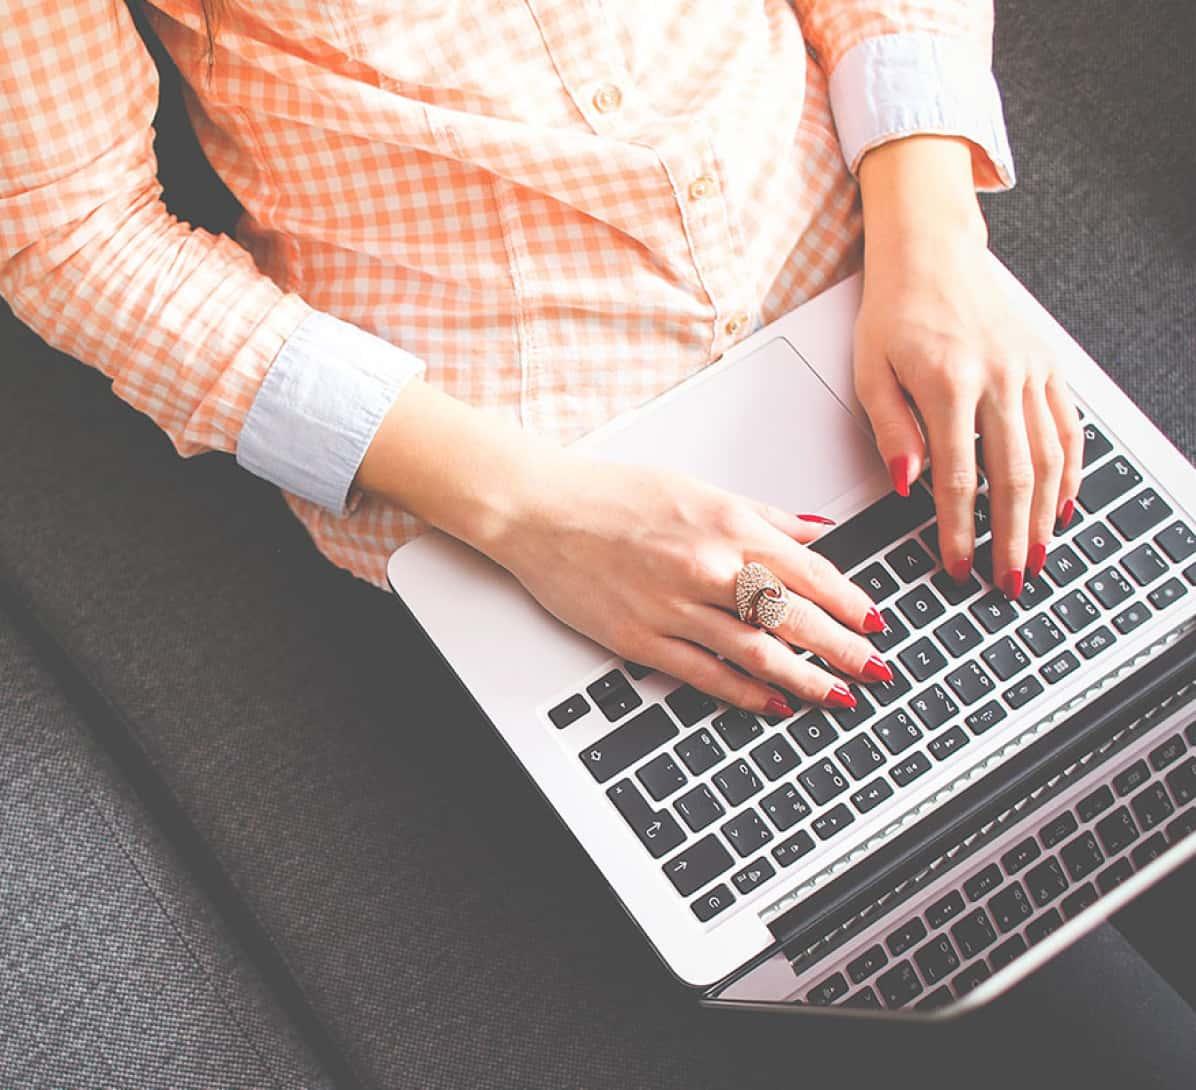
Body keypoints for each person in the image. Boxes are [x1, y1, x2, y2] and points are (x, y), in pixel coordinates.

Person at [3, 4, 1193, 1081]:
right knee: (1010, 1004)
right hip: (548, 512)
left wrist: (933, 238)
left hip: (887, 303)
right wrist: (535, 512)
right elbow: (74, 230)